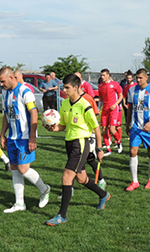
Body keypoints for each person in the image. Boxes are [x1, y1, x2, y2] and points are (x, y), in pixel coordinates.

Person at [44, 74, 110, 226]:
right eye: (64, 87)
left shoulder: (85, 105)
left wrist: (99, 149)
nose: (64, 91)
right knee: (81, 178)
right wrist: (53, 128)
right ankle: (103, 194)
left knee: (67, 177)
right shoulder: (65, 104)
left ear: (76, 88)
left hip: (80, 144)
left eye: (67, 88)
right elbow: (63, 125)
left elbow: (96, 128)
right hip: (69, 142)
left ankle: (62, 215)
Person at [0, 67, 50, 213]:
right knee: (15, 170)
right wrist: (3, 134)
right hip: (12, 138)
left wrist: (32, 136)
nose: (1, 84)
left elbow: (33, 113)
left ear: (11, 78)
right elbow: (5, 115)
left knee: (23, 169)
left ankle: (44, 189)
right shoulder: (5, 92)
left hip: (25, 138)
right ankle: (19, 203)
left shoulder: (25, 91)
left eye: (3, 81)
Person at [125, 68, 150, 191]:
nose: (138, 80)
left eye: (140, 78)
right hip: (136, 126)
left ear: (146, 78)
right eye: (137, 78)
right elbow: (130, 108)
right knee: (132, 151)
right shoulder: (132, 90)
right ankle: (134, 181)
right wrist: (127, 124)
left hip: (149, 128)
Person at [98, 69, 123, 155]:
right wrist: (93, 99)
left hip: (113, 109)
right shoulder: (100, 86)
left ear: (108, 75)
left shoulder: (114, 84)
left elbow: (121, 95)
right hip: (105, 110)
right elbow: (101, 98)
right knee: (104, 130)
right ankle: (109, 150)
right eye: (101, 75)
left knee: (112, 129)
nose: (102, 77)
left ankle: (119, 142)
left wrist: (115, 104)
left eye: (104, 75)